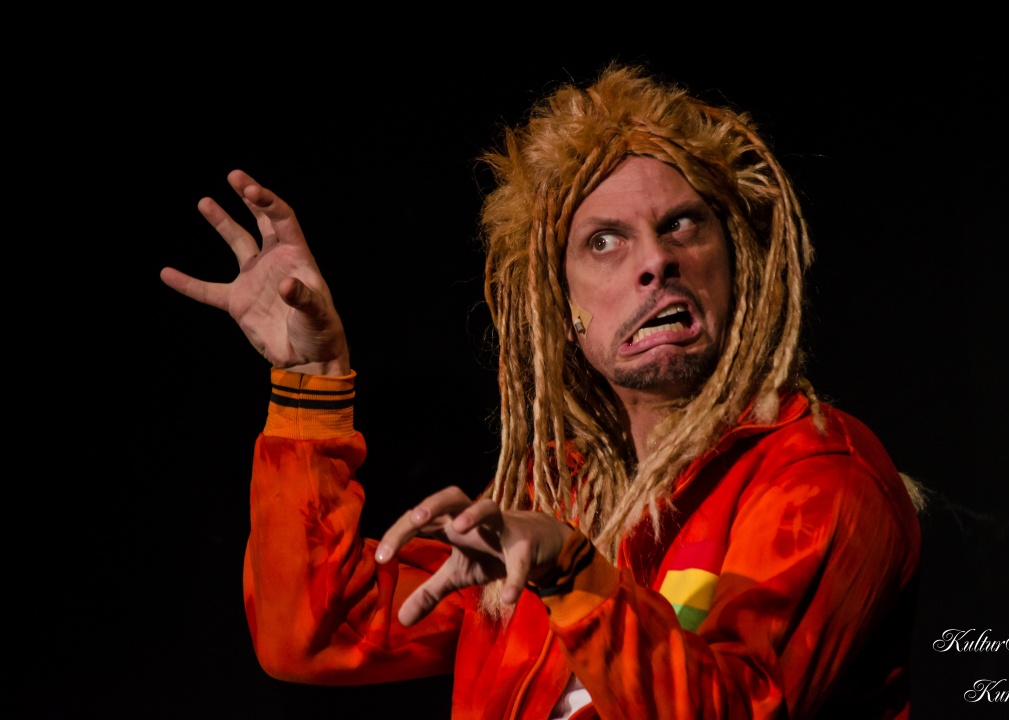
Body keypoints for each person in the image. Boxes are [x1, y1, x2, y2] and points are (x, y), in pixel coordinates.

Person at [161, 64, 923, 719]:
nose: (655, 261)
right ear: (560, 311)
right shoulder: (553, 502)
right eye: (604, 241)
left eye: (682, 225)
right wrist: (310, 381)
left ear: (736, 264)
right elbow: (315, 631)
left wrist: (573, 575)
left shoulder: (817, 476)